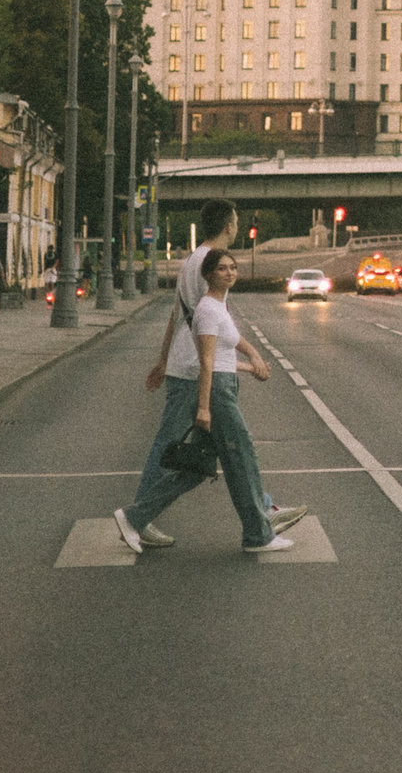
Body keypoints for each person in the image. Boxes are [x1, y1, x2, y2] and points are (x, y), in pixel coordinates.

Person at [122, 201, 301, 549]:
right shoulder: (208, 264)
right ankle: (138, 517)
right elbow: (202, 320)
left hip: (190, 365)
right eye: (235, 224)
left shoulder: (194, 261)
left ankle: (262, 509)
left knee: (219, 453)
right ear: (229, 227)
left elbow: (178, 314)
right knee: (183, 444)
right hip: (197, 371)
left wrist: (163, 360)